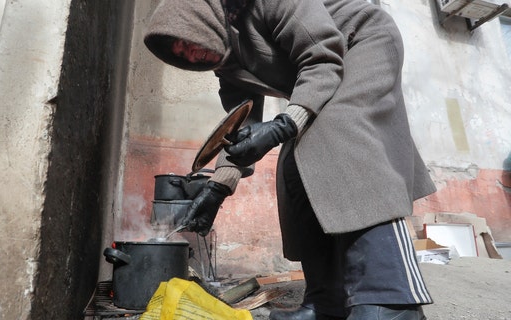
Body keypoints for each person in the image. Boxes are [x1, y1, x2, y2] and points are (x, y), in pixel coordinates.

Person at [144, 0, 437, 319]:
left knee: (340, 131)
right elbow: (239, 123)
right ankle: (326, 303)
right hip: (324, 69)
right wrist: (218, 188)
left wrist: (286, 124)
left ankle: (392, 299)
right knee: (293, 166)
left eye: (188, 43)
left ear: (198, 19)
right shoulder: (227, 63)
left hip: (360, 42)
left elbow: (322, 58)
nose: (191, 55)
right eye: (182, 55)